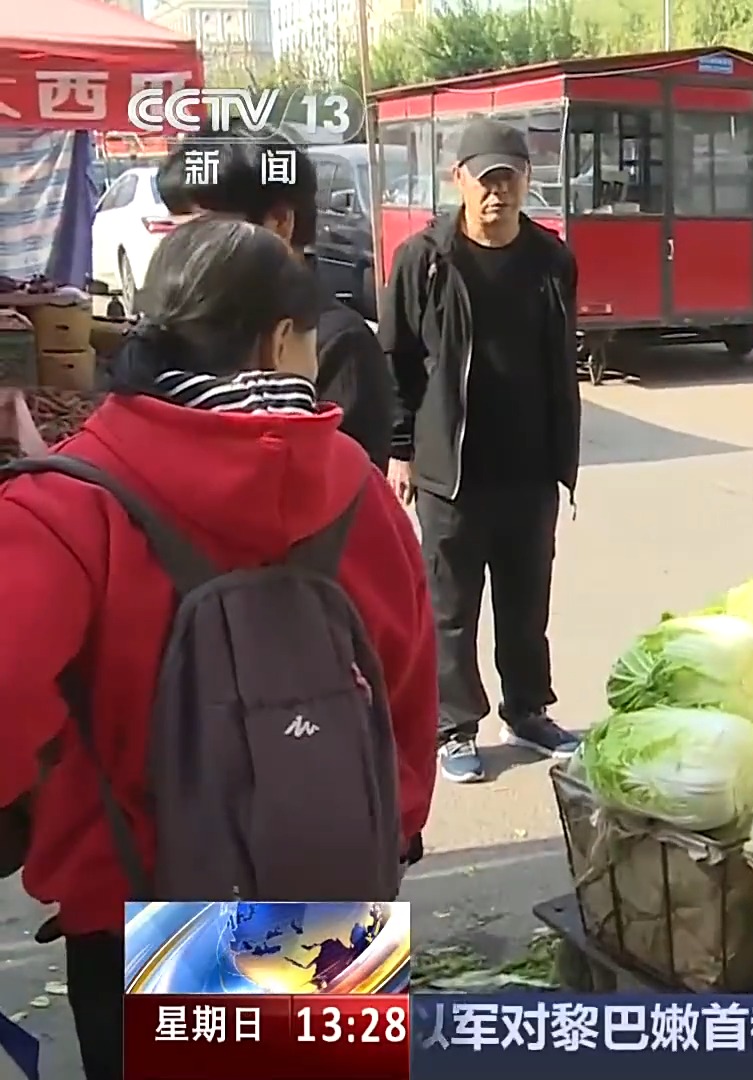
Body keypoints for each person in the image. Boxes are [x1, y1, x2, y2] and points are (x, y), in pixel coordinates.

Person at [0, 218, 437, 1080]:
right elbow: (409, 693)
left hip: (130, 906)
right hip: (327, 911)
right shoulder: (359, 492)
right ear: (279, 343)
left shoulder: (66, 508)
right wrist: (385, 833)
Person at [382, 119, 584, 784]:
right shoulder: (425, 259)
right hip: (452, 472)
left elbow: (559, 358)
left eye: (510, 178)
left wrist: (562, 456)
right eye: (485, 179)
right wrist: (402, 449)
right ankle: (454, 727)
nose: (498, 192)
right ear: (459, 180)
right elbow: (396, 360)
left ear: (528, 180)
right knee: (450, 607)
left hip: (530, 468)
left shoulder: (552, 260)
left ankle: (527, 711)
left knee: (527, 604)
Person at [156, 137, 395, 470]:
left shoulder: (340, 344)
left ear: (280, 221)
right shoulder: (181, 328)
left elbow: (348, 487)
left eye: (203, 230)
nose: (183, 250)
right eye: (175, 230)